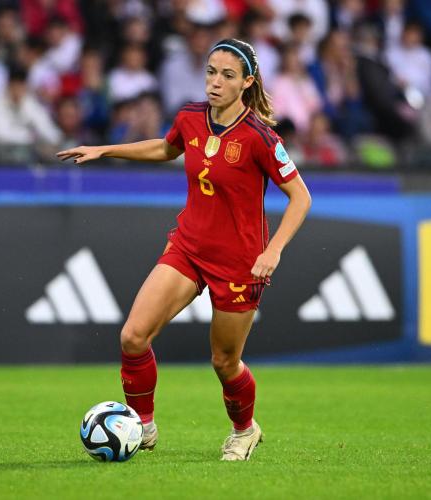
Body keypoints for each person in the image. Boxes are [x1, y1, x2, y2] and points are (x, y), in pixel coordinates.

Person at [57, 38, 312, 461]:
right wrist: (105, 149)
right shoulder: (191, 117)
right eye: (211, 72)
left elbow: (301, 197)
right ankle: (142, 426)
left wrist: (274, 250)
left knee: (224, 362)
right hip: (189, 247)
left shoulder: (260, 137)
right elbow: (165, 147)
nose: (215, 82)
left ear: (247, 82)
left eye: (227, 75)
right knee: (133, 336)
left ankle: (244, 430)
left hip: (239, 262)